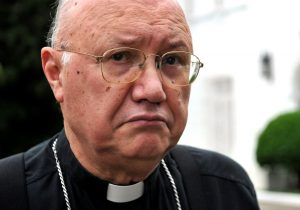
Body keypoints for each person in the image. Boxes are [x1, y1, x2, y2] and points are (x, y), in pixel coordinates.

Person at [0, 0, 260, 209]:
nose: (154, 90)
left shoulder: (223, 189)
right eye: (120, 56)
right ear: (56, 73)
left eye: (172, 61)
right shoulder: (9, 193)